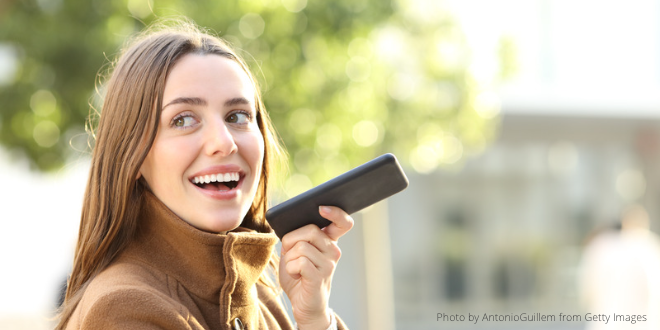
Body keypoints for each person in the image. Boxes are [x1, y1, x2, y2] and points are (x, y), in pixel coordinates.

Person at [55, 18, 353, 330]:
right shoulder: (124, 309)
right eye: (183, 120)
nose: (224, 142)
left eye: (237, 116)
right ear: (134, 156)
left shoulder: (260, 293)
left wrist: (316, 319)